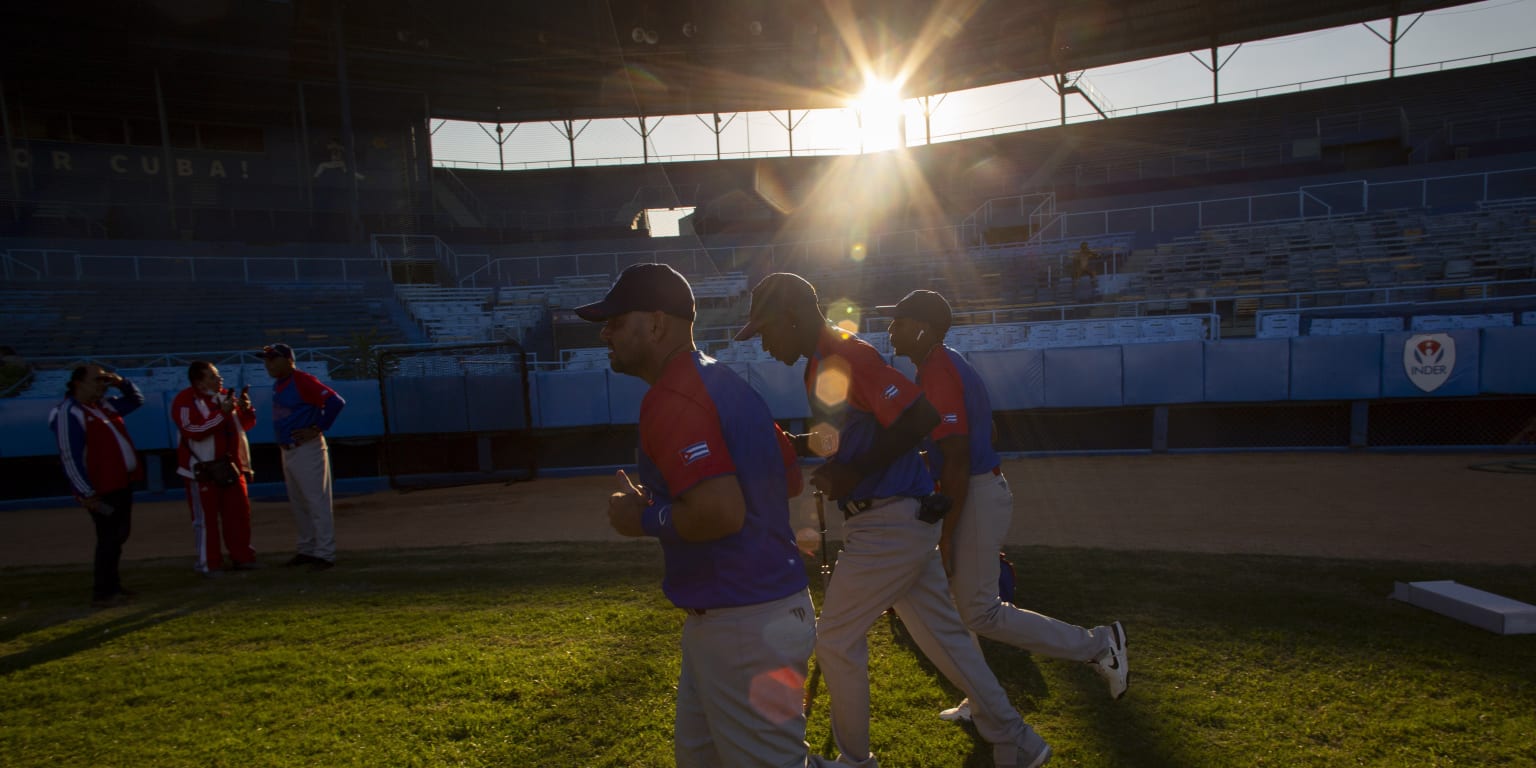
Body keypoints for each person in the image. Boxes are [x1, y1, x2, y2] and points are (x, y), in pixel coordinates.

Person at [736, 273, 1052, 768]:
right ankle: (1019, 741)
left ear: (791, 317)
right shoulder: (820, 361)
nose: (764, 344)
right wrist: (791, 445)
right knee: (949, 642)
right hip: (896, 521)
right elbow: (847, 437)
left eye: (765, 331)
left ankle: (855, 761)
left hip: (889, 522)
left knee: (835, 640)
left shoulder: (847, 354)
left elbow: (919, 417)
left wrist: (852, 471)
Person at [575, 263, 829, 768]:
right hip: (754, 612)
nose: (605, 333)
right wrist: (671, 500)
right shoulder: (723, 379)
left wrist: (641, 518)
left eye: (616, 321)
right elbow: (788, 480)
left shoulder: (673, 395)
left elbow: (721, 513)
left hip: (743, 622)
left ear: (656, 323)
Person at [883, 290, 1128, 725]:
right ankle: (979, 701)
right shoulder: (943, 363)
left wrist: (946, 533)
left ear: (922, 328)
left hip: (973, 493)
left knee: (980, 611)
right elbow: (987, 431)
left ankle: (1098, 645)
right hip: (976, 489)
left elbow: (959, 458)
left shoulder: (939, 369)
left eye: (898, 321)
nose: (890, 329)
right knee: (957, 605)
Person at [49, 365, 145, 608]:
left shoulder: (104, 406)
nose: (102, 385)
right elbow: (69, 456)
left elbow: (136, 400)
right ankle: (104, 592)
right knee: (108, 538)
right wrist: (86, 492)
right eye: (97, 380)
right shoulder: (69, 412)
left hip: (121, 482)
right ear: (78, 383)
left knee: (119, 535)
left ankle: (113, 586)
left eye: (104, 380)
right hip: (100, 489)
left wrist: (121, 382)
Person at [260, 343, 346, 571]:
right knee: (299, 504)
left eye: (273, 358)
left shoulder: (301, 380)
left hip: (307, 448)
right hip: (289, 449)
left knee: (316, 502)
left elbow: (336, 402)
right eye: (266, 359)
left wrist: (317, 428)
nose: (268, 363)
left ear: (289, 360)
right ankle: (307, 549)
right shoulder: (280, 384)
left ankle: (325, 554)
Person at [172, 361, 258, 575]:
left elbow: (244, 426)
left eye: (217, 375)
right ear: (199, 382)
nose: (219, 379)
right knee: (205, 520)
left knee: (238, 515)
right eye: (212, 376)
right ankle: (209, 563)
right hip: (203, 470)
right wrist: (222, 413)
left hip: (231, 467)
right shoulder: (185, 400)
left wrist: (246, 410)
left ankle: (243, 557)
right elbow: (193, 430)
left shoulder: (225, 397)